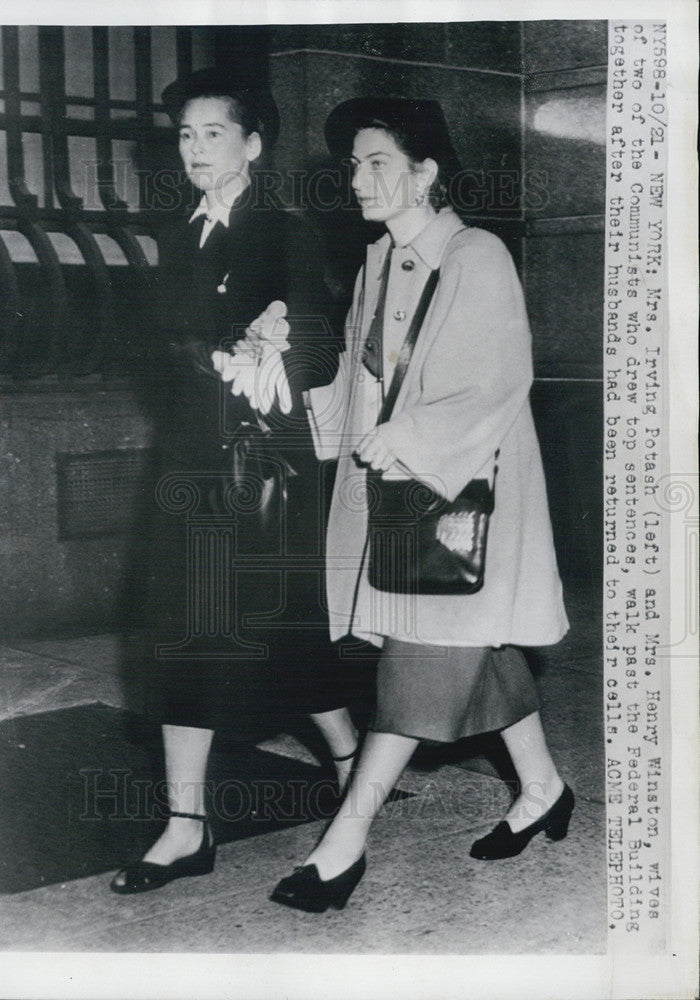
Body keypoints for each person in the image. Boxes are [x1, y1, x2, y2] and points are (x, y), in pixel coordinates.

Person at [226, 97, 574, 913]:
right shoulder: (378, 260)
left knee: (416, 671)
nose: (357, 179)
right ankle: (544, 788)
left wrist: (412, 436)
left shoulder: (477, 254)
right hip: (401, 488)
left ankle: (343, 845)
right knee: (470, 647)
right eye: (352, 164)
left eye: (376, 162)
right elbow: (362, 380)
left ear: (426, 174)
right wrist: (290, 367)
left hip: (460, 495)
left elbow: (495, 379)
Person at [111, 70, 359, 894]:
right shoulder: (179, 234)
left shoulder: (284, 231)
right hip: (187, 466)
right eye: (185, 136)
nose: (194, 150)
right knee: (182, 632)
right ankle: (187, 827)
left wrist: (268, 352)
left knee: (285, 636)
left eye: (212, 134)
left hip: (262, 471)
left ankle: (357, 766)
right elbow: (157, 353)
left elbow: (321, 351)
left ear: (253, 146)